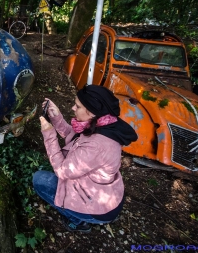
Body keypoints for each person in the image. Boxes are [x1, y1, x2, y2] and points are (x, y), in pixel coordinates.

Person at [33, 85, 138, 232]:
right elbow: (75, 138)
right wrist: (56, 117)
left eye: (78, 106)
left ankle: (78, 221)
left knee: (40, 180)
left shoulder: (97, 145)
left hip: (99, 208)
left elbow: (62, 171)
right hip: (104, 195)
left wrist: (49, 134)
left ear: (92, 112)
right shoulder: (104, 124)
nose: (73, 108)